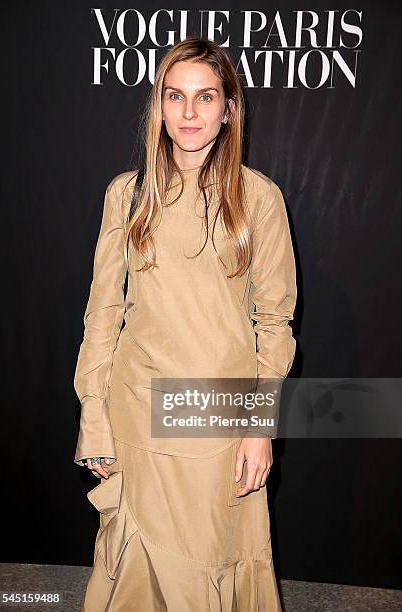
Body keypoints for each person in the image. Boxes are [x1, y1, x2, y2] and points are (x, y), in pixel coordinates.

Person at [73, 35, 296, 612]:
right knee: (137, 570)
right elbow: (102, 315)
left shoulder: (259, 200)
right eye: (176, 96)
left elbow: (274, 323)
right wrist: (93, 420)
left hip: (218, 415)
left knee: (209, 563)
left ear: (229, 109)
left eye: (205, 97)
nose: (189, 113)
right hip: (138, 408)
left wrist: (258, 425)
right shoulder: (127, 197)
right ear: (159, 106)